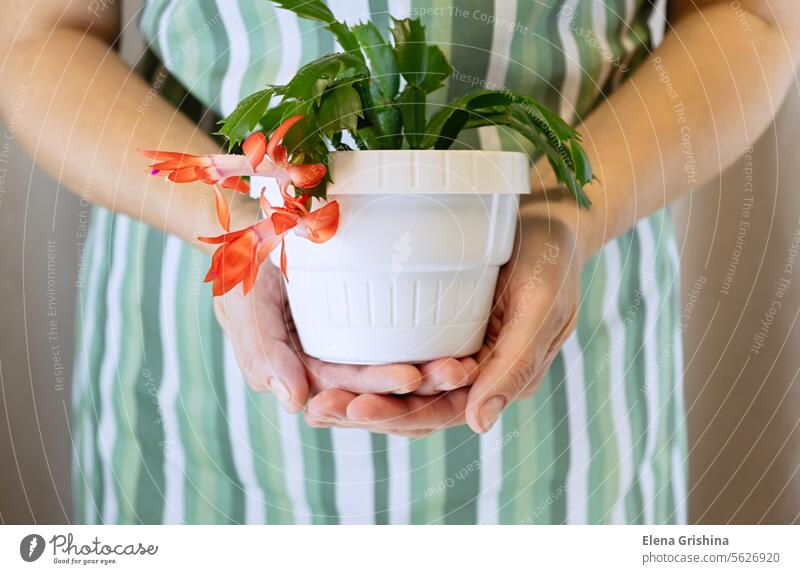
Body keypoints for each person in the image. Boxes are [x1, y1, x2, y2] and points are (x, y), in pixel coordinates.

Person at [1, 0, 797, 524]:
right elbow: (38, 35)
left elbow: (753, 18)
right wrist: (236, 215)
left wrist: (563, 211)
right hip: (200, 393)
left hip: (574, 377)